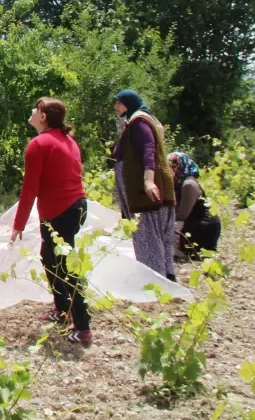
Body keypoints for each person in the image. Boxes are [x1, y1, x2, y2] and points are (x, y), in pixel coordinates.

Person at [10, 97, 93, 346]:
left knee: (65, 267)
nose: (32, 112)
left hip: (61, 212)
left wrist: (18, 224)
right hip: (77, 208)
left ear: (43, 116)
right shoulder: (67, 141)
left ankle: (83, 327)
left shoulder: (39, 144)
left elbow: (30, 189)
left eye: (36, 109)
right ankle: (62, 309)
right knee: (49, 257)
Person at [112, 89, 177, 282]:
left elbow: (148, 148)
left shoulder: (140, 122)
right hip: (154, 187)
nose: (116, 107)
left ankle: (154, 281)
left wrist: (148, 181)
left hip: (144, 191)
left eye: (119, 103)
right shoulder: (146, 120)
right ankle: (166, 276)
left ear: (127, 104)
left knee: (148, 234)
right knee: (159, 235)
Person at [169, 152, 221, 258]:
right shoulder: (180, 182)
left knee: (169, 224)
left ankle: (181, 251)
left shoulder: (188, 185)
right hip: (196, 223)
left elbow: (182, 215)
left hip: (202, 227)